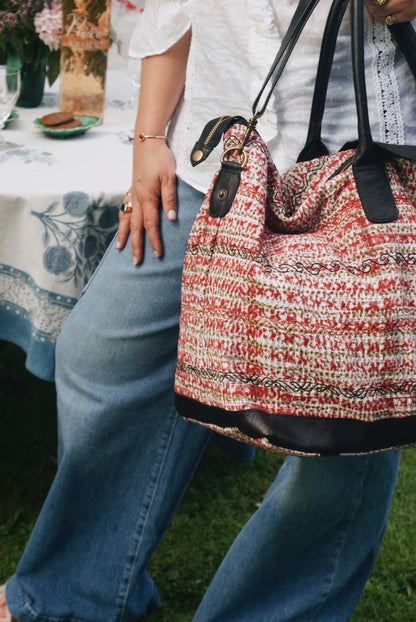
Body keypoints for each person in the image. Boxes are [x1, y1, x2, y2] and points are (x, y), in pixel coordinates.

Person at [2, 0, 416, 621]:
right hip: (219, 158)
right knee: (103, 350)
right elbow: (174, 10)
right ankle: (69, 594)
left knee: (349, 418)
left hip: (367, 171)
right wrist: (148, 140)